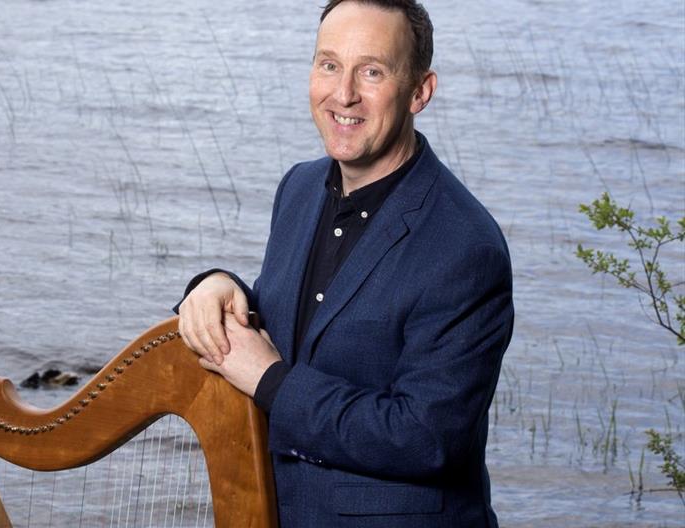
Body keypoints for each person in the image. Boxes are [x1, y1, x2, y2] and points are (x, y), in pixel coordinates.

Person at [176, 1, 513, 526]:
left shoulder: (466, 248)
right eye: (329, 64)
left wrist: (272, 383)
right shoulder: (299, 186)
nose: (343, 93)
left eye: (372, 71)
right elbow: (304, 326)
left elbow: (425, 438)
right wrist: (218, 284)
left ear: (419, 91)